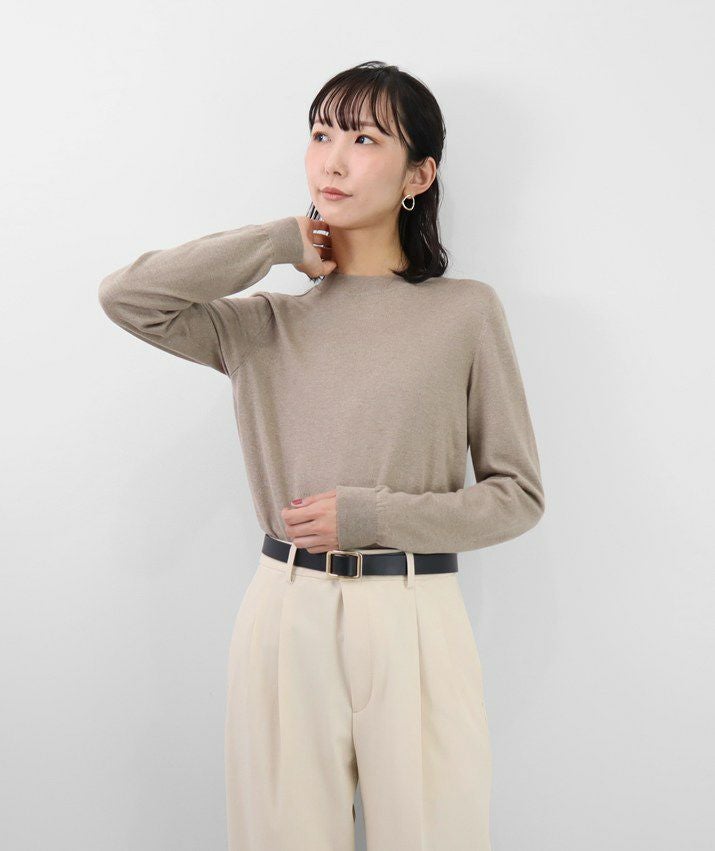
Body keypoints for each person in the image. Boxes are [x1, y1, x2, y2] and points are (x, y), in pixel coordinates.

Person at [98, 60, 545, 851]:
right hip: (286, 608)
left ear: (418, 175)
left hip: (412, 611)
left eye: (364, 139)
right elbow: (129, 297)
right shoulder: (262, 325)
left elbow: (516, 494)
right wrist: (280, 241)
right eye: (320, 134)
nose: (332, 160)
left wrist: (372, 515)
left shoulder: (464, 312)